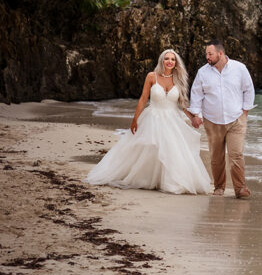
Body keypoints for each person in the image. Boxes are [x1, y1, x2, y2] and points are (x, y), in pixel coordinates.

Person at [87, 49, 211, 194]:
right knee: (151, 147)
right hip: (153, 117)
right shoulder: (152, 76)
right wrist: (135, 119)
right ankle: (146, 179)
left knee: (171, 150)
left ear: (176, 63)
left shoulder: (178, 79)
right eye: (167, 59)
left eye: (172, 59)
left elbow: (183, 104)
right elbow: (143, 99)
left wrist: (193, 118)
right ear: (162, 61)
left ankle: (166, 181)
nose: (169, 61)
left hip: (172, 120)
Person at [188, 40, 255, 199]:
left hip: (236, 120)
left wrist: (245, 110)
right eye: (206, 54)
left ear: (220, 54)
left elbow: (248, 89)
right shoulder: (202, 72)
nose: (207, 57)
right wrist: (196, 115)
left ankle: (240, 189)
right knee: (216, 157)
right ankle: (219, 187)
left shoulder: (239, 68)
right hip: (212, 121)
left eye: (210, 54)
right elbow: (196, 94)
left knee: (236, 154)